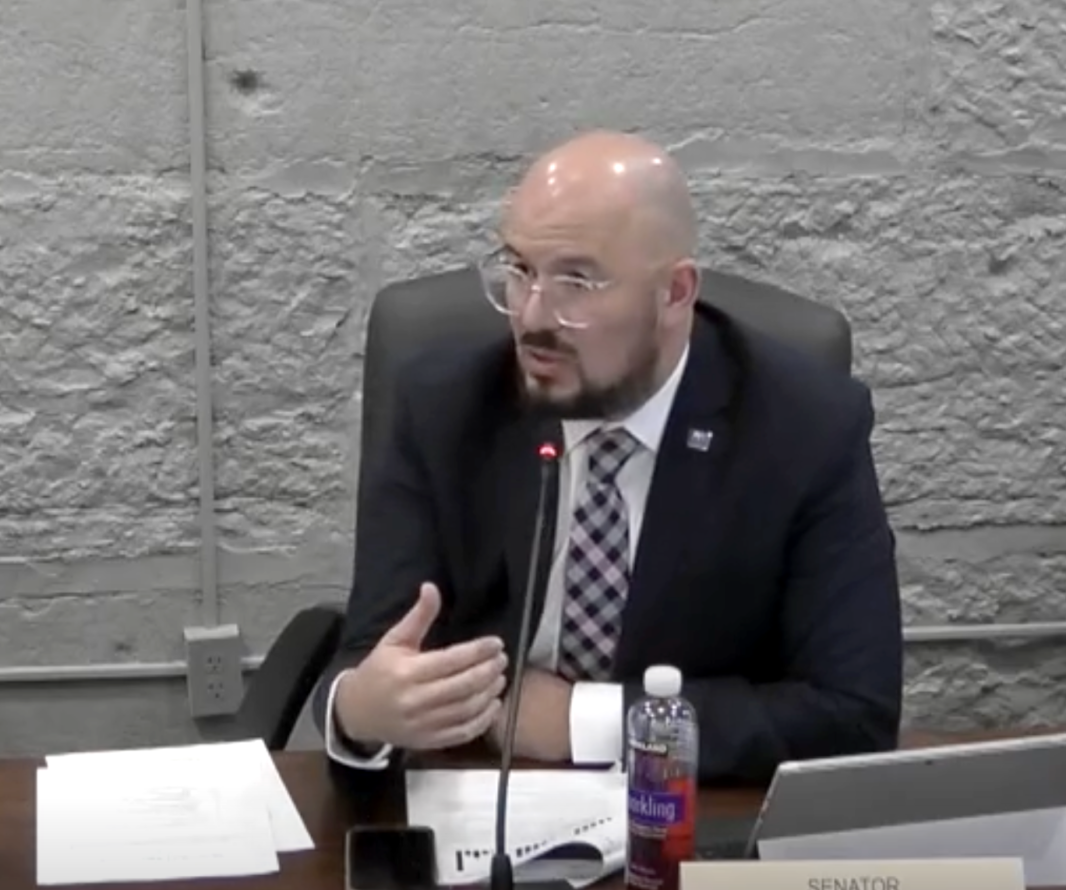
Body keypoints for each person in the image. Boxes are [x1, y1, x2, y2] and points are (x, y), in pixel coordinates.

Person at [317, 131, 903, 785]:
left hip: (694, 815)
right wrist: (360, 713)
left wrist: (582, 720)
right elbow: (371, 657)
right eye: (519, 270)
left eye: (577, 281)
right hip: (477, 804)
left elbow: (854, 714)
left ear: (676, 293)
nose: (533, 317)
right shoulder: (445, 407)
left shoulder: (805, 426)